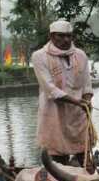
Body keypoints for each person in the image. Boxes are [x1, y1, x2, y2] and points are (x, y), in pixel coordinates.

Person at [32, 19, 94, 163]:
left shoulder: (80, 55)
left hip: (79, 113)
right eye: (61, 36)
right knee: (58, 158)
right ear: (51, 36)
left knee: (85, 156)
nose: (66, 39)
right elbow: (50, 90)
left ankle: (91, 179)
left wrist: (87, 100)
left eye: (69, 36)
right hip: (54, 112)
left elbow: (87, 84)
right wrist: (77, 102)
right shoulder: (39, 56)